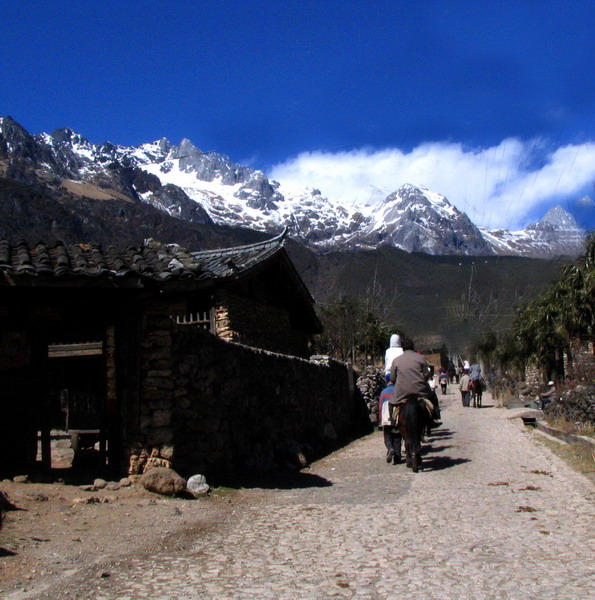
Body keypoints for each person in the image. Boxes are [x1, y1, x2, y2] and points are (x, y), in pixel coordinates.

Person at [389, 338, 441, 427]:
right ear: (413, 348)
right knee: (433, 398)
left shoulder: (396, 360)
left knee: (391, 403)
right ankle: (433, 419)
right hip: (420, 390)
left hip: (402, 392)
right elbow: (426, 374)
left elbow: (392, 378)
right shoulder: (421, 358)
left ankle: (393, 423)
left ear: (402, 348)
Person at [378, 382, 401, 464]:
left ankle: (390, 448)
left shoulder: (383, 392)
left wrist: (380, 419)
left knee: (387, 436)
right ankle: (397, 458)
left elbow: (380, 406)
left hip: (386, 416)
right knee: (397, 437)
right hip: (396, 416)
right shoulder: (398, 390)